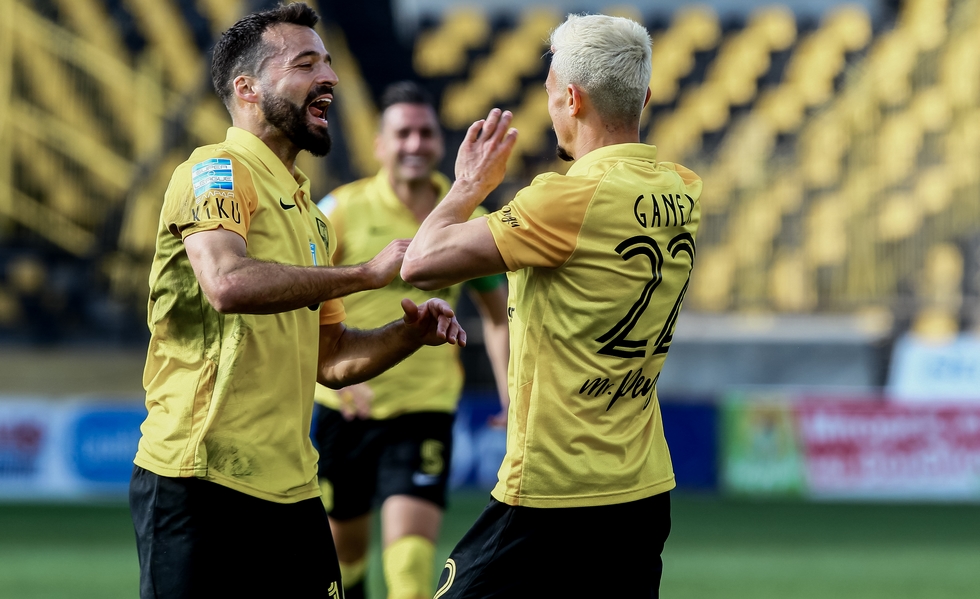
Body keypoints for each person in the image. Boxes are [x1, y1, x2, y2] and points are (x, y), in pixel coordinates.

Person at [128, 5, 466, 598]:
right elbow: (227, 283)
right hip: (200, 478)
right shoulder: (215, 171)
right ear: (247, 89)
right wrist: (363, 274)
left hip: (293, 490)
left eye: (328, 63)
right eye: (306, 64)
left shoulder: (314, 217)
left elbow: (330, 359)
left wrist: (407, 334)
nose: (329, 77)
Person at [401, 13, 702, 598]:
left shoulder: (566, 201)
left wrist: (468, 185)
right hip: (641, 490)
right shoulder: (683, 189)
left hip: (553, 492)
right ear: (644, 97)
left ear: (571, 99)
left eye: (549, 92)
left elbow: (420, 262)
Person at [312, 81, 510, 599]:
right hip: (344, 408)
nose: (415, 144)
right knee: (343, 566)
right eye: (403, 133)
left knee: (409, 569)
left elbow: (500, 318)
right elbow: (301, 303)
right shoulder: (339, 210)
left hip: (425, 407)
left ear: (440, 142)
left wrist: (513, 395)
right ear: (379, 144)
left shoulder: (467, 218)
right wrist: (334, 373)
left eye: (425, 133)